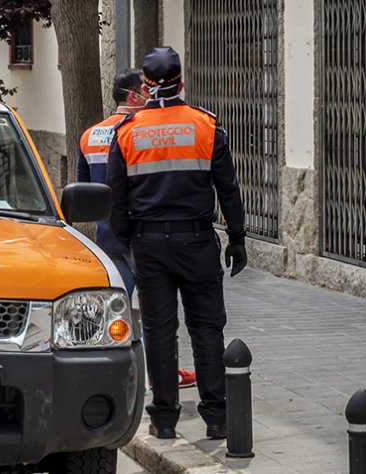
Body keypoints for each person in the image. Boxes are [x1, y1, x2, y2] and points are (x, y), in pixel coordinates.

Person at [107, 47, 247, 440]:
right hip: (197, 242)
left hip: (149, 246)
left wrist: (123, 244)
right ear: (181, 81)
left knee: (159, 331)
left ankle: (164, 419)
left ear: (146, 87)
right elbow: (228, 190)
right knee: (206, 329)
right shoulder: (205, 126)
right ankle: (216, 417)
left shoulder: (128, 132)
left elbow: (115, 196)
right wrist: (237, 239)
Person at [77, 68, 197, 389]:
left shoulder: (89, 136)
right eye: (146, 91)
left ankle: (106, 374)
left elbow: (86, 192)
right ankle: (160, 375)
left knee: (111, 309)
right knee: (158, 312)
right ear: (134, 96)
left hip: (107, 239)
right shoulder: (140, 132)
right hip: (143, 236)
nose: (152, 97)